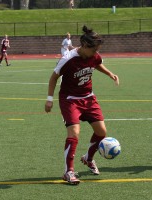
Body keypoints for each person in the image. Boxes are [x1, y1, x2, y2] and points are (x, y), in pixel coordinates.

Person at [45, 25, 119, 185]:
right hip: (70, 99)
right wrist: (49, 99)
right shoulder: (68, 59)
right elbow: (53, 78)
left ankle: (88, 158)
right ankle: (68, 172)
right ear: (85, 46)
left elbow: (97, 63)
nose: (96, 53)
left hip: (89, 98)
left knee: (101, 132)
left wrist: (110, 74)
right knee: (74, 133)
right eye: (94, 50)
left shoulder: (94, 55)